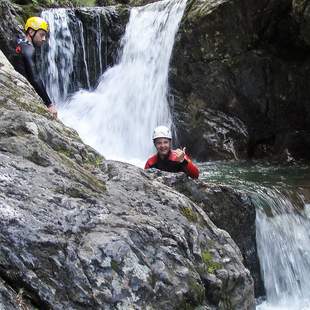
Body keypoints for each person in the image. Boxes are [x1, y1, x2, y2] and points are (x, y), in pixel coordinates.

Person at [15, 17, 57, 118]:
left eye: (45, 36)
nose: (44, 39)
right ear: (31, 31)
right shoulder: (29, 49)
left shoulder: (19, 41)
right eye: (41, 35)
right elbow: (35, 78)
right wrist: (49, 104)